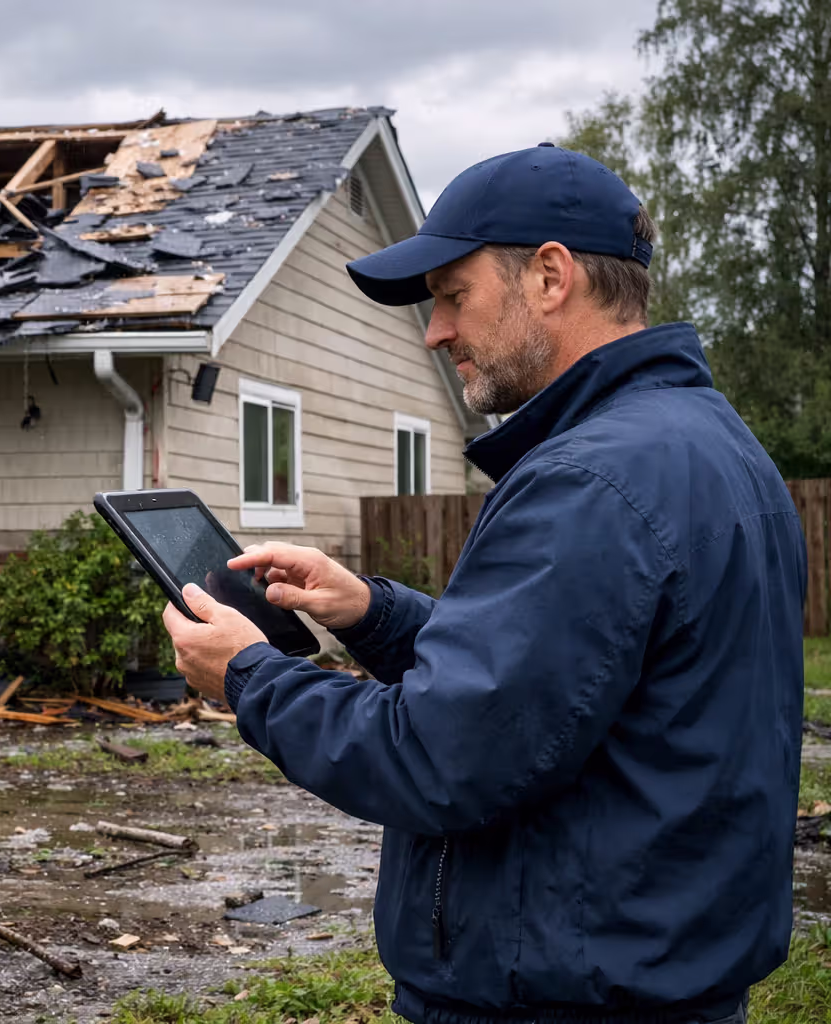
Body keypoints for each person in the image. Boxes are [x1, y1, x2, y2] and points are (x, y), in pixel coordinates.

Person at [162, 144, 806, 1024]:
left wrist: (249, 677)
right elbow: (575, 679)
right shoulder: (708, 444)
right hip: (654, 970)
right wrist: (374, 613)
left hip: (561, 995)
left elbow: (439, 756)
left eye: (453, 296)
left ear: (550, 276)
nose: (435, 331)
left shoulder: (591, 481)